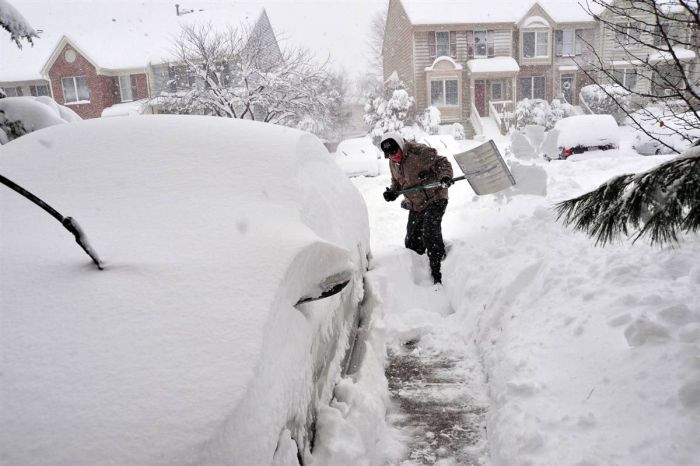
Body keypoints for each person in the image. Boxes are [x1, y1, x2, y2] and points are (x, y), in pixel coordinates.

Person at [380, 132, 453, 284]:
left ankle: (439, 271)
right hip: (416, 204)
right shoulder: (393, 162)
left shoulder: (419, 152)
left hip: (435, 197)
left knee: (429, 231)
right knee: (412, 239)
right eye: (389, 155)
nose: (393, 157)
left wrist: (445, 177)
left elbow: (442, 163)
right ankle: (418, 275)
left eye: (395, 152)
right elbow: (397, 181)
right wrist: (393, 192)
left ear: (400, 146)